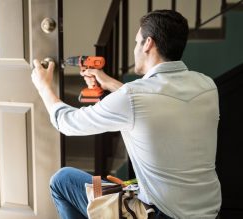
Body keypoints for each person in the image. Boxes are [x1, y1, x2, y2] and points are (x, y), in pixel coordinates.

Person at [31, 9, 221, 219]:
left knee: (63, 180)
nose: (135, 48)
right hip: (209, 212)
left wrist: (43, 86)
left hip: (164, 214)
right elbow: (157, 104)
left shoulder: (132, 97)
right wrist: (111, 83)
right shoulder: (207, 86)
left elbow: (66, 122)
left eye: (137, 41)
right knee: (104, 185)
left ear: (148, 43)